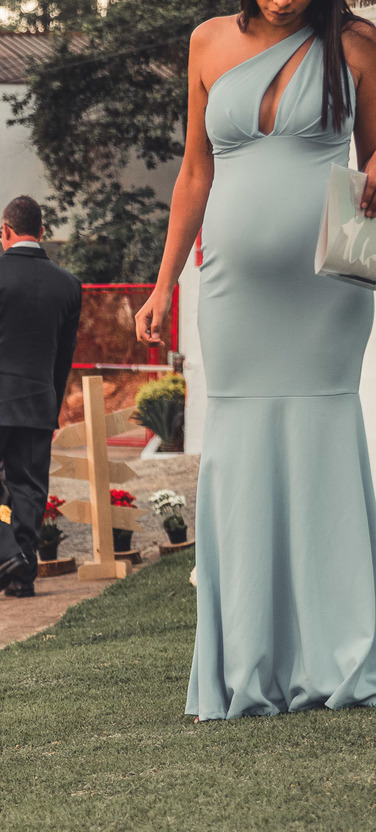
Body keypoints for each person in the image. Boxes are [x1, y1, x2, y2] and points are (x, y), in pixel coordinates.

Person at [135, 0, 376, 720]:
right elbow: (193, 175)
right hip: (233, 291)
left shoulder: (360, 44)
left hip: (328, 282)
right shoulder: (206, 42)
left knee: (319, 438)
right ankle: (246, 660)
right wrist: (161, 284)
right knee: (239, 451)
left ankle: (342, 651)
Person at [0, 195, 82, 599]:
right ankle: (23, 576)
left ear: (5, 232)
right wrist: (52, 406)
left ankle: (4, 552)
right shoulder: (69, 285)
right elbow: (64, 359)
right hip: (40, 402)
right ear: (41, 233)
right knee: (29, 487)